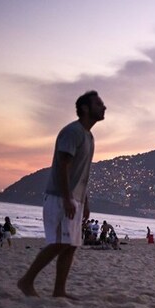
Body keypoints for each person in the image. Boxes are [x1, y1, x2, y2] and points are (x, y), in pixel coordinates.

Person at [18, 90, 104, 297]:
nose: (104, 107)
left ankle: (59, 291)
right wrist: (67, 198)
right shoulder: (73, 132)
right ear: (85, 108)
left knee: (71, 245)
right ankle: (26, 281)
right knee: (59, 243)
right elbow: (63, 165)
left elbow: (81, 173)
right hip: (59, 197)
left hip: (74, 199)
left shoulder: (89, 136)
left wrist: (84, 201)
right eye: (98, 104)